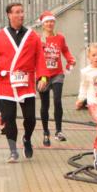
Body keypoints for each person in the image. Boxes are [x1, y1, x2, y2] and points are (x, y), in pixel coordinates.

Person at [0, 3, 46, 163]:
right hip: (6, 84)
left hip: (26, 83)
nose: (21, 15)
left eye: (22, 12)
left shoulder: (32, 36)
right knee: (8, 118)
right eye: (17, 12)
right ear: (9, 15)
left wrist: (42, 78)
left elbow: (40, 58)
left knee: (30, 119)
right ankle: (13, 150)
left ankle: (27, 138)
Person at [35, 11, 75, 147]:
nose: (49, 24)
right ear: (43, 24)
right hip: (43, 76)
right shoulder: (38, 39)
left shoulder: (60, 37)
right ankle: (46, 132)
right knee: (45, 104)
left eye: (51, 21)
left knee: (57, 100)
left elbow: (65, 50)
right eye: (47, 22)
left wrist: (70, 60)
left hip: (57, 74)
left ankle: (58, 131)